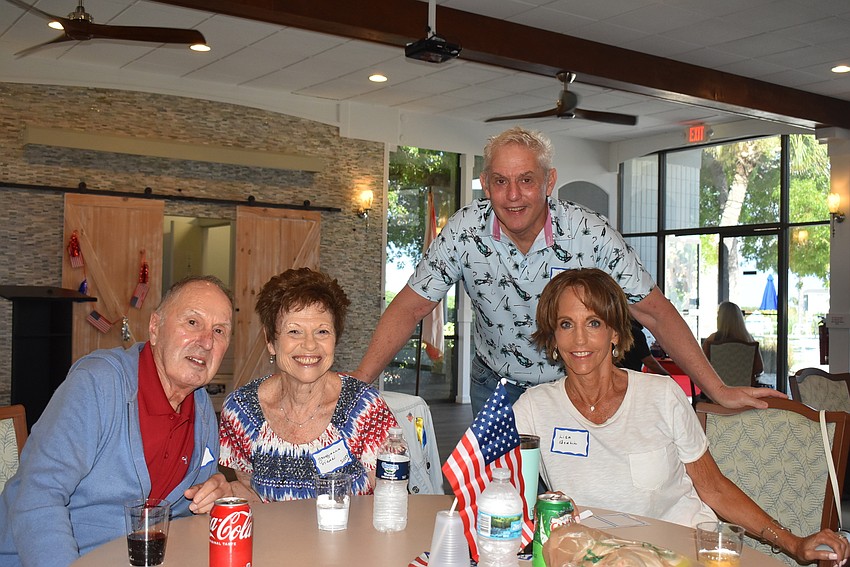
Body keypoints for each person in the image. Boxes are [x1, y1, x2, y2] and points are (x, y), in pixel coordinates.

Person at [353, 126, 782, 416]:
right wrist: (359, 383)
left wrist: (718, 388)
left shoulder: (589, 234)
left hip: (573, 385)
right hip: (494, 386)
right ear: (486, 183)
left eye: (526, 180)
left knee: (568, 504)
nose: (513, 195)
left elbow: (654, 312)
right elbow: (410, 307)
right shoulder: (464, 231)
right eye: (500, 181)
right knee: (493, 507)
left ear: (549, 181)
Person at [513, 268, 848, 565]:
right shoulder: (533, 409)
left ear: (615, 333)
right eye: (566, 325)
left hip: (683, 555)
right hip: (596, 558)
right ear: (553, 337)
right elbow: (497, 490)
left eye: (594, 323)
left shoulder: (660, 395)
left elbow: (714, 489)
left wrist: (793, 542)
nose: (580, 339)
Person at [0, 276, 236, 566]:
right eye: (192, 323)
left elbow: (188, 513)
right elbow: (37, 495)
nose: (206, 341)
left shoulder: (201, 411)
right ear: (155, 327)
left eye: (219, 330)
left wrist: (215, 497)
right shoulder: (98, 385)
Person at [218, 268, 398, 502]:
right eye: (294, 331)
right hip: (274, 538)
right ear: (271, 341)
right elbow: (251, 495)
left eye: (322, 331)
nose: (310, 345)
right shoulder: (242, 411)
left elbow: (390, 499)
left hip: (352, 537)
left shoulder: (365, 409)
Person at [702, 301, 764, 386]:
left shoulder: (712, 340)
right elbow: (759, 368)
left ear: (720, 318)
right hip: (744, 391)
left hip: (717, 392)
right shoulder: (749, 340)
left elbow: (702, 365)